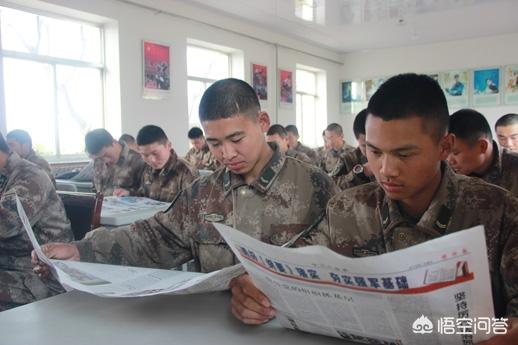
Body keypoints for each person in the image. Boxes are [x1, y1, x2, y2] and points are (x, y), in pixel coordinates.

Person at [33, 78, 337, 311]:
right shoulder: (203, 194)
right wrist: (81, 250)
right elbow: (152, 239)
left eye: (236, 138)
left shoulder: (314, 186)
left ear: (262, 123)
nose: (226, 153)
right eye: (215, 143)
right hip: (217, 325)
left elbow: (344, 264)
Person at [325, 74, 518, 344]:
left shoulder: (499, 211)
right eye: (375, 152)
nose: (386, 170)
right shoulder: (346, 210)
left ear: (444, 146)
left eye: (404, 154)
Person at [0, 132, 73, 311]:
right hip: (10, 265)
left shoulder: (30, 176)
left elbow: (6, 225)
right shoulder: (5, 174)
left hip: (40, 272)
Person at [448, 109, 518, 197]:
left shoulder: (514, 169)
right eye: (446, 151)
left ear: (482, 146)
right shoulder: (446, 172)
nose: (449, 160)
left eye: (455, 153)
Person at [133, 125, 198, 202]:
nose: (152, 160)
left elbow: (194, 208)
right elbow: (143, 196)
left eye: (155, 153)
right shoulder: (147, 169)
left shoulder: (186, 172)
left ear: (168, 145)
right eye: (145, 155)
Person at [86, 129, 146, 196]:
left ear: (114, 142)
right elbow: (95, 189)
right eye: (99, 158)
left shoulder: (139, 161)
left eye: (106, 155)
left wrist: (130, 193)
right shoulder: (98, 161)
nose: (105, 161)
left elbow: (147, 194)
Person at [335, 109, 375, 190]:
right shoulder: (348, 159)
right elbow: (331, 185)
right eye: (364, 146)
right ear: (357, 140)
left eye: (375, 146)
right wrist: (359, 172)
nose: (370, 151)